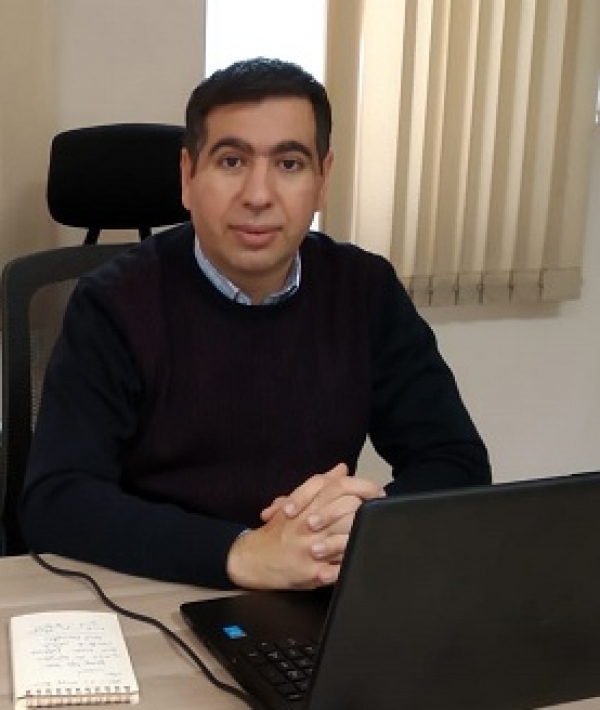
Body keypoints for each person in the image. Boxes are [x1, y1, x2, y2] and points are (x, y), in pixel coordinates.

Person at [21, 58, 491, 590]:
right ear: (188, 177)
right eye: (231, 161)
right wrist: (241, 552)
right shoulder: (112, 303)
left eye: (289, 164)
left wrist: (361, 525)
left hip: (313, 587)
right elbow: (57, 500)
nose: (258, 195)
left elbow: (455, 462)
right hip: (158, 587)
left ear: (322, 180)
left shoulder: (365, 290)